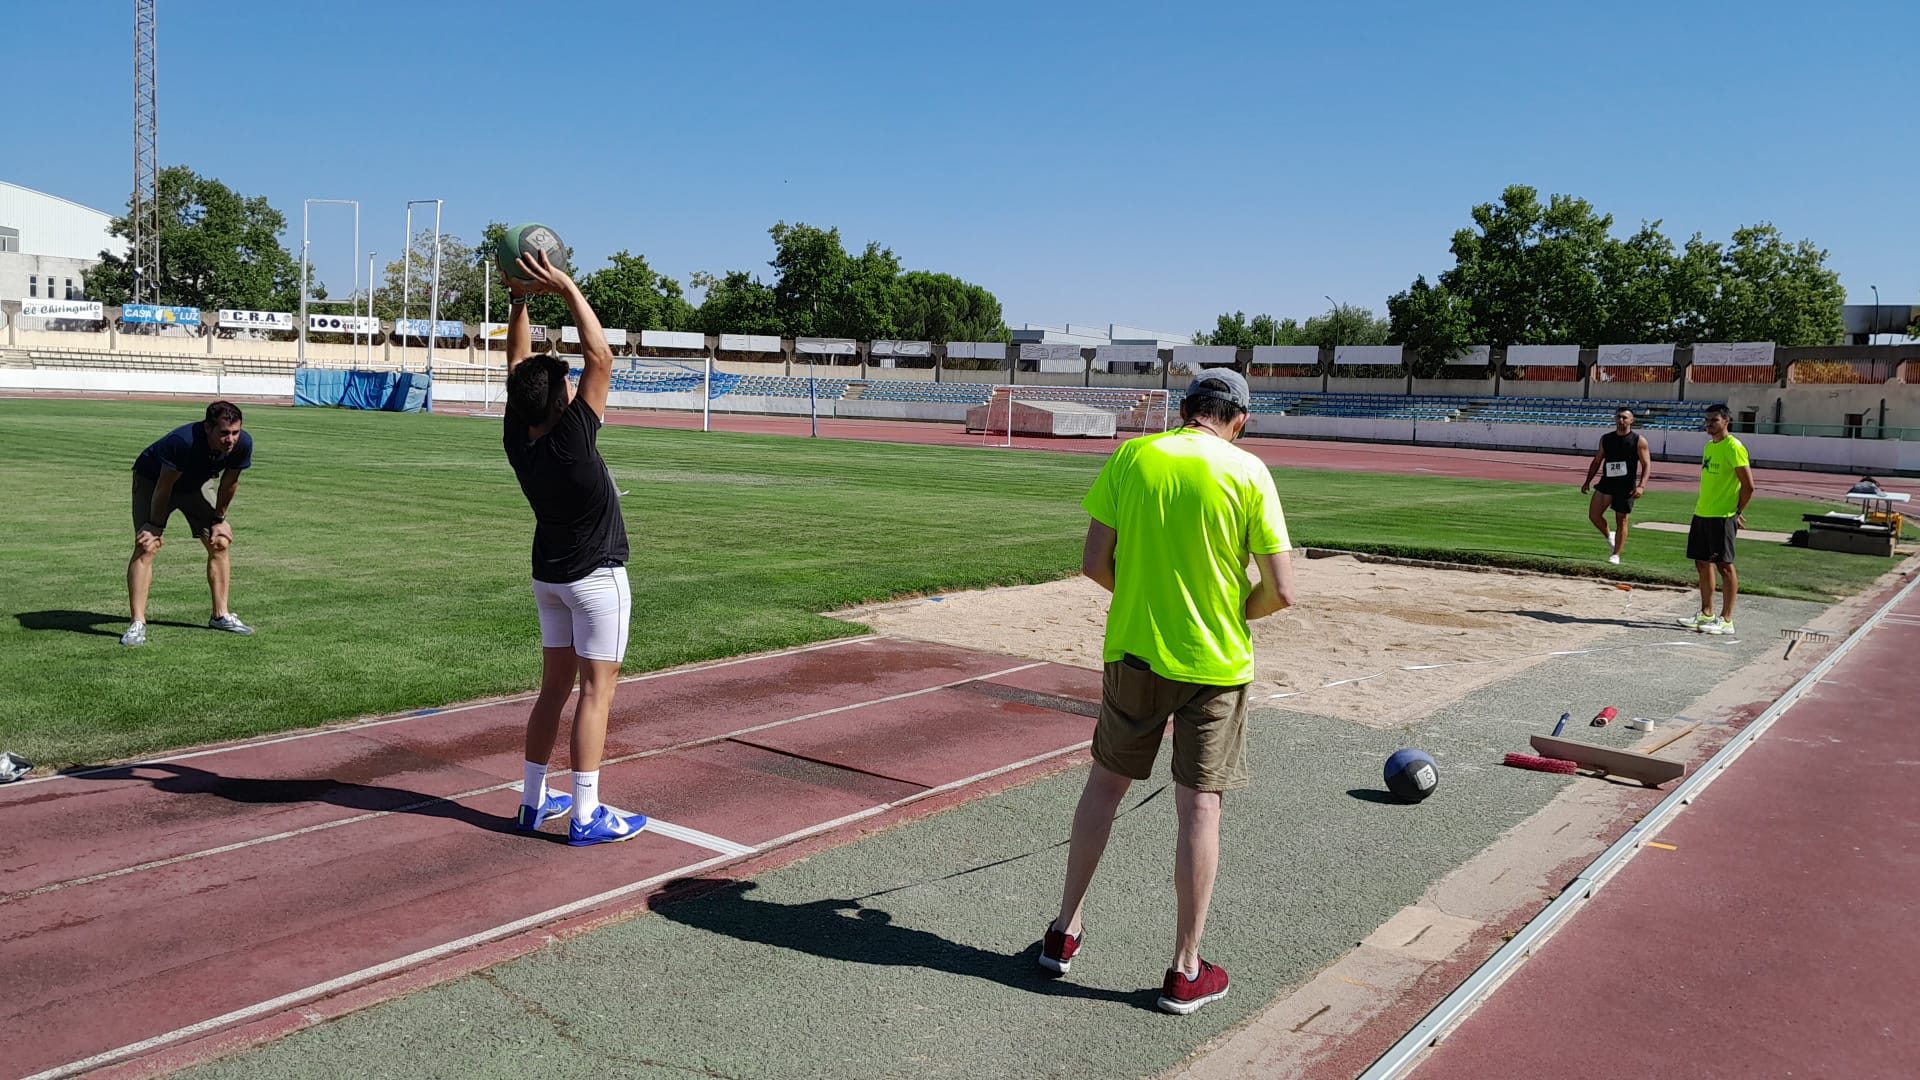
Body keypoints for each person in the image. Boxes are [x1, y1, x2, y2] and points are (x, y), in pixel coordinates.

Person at [1039, 367, 1296, 1015]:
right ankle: (1185, 969)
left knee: (1104, 785)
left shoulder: (1133, 456)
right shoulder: (1248, 471)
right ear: (1238, 418)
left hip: (1134, 652)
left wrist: (1142, 602)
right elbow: (1283, 590)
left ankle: (1063, 931)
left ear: (1183, 409)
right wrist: (1239, 611)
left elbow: (1095, 563)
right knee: (1200, 809)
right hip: (1215, 664)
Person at [500, 249, 646, 847]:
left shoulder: (518, 435)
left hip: (549, 577)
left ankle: (534, 803)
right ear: (562, 399)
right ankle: (586, 812)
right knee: (597, 691)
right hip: (596, 579)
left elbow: (519, 367)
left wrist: (517, 300)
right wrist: (563, 286)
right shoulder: (575, 439)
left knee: (554, 688)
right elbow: (601, 355)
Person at [122, 400, 256, 647]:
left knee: (220, 543)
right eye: (224, 433)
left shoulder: (243, 444)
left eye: (235, 432)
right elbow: (165, 487)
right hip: (154, 481)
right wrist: (154, 525)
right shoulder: (183, 442)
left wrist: (219, 520)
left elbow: (229, 483)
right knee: (147, 545)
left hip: (196, 484)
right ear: (208, 428)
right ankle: (137, 623)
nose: (231, 439)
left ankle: (221, 615)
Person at [1678, 404, 1753, 636]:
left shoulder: (1734, 447)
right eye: (1707, 420)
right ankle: (1706, 613)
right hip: (1702, 512)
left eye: (1714, 420)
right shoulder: (1710, 447)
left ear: (1726, 421)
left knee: (1725, 566)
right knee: (1701, 562)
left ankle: (1726, 619)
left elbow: (1748, 486)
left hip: (1723, 516)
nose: (1709, 424)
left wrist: (1737, 511)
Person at [1580, 407, 1651, 565]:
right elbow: (1597, 460)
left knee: (1622, 520)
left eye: (1625, 418)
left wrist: (1641, 486)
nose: (1621, 420)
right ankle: (1608, 535)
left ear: (1631, 420)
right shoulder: (1606, 438)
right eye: (1618, 417)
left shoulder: (1638, 440)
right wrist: (1587, 481)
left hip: (1626, 486)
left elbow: (1647, 465)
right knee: (1594, 515)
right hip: (1607, 483)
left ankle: (1616, 554)